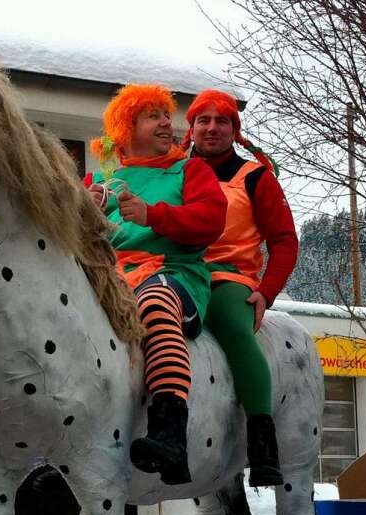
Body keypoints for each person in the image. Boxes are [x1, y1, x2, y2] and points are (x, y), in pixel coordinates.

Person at [85, 83, 227, 484]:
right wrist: (84, 212)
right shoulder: (100, 180)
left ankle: (169, 433)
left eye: (167, 114)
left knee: (156, 302)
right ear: (127, 128)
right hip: (108, 276)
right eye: (154, 115)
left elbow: (211, 222)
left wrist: (152, 215)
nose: (168, 122)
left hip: (173, 271)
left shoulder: (190, 170)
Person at [184, 89, 299, 486]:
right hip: (171, 269)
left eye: (222, 121)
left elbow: (284, 240)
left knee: (232, 325)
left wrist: (265, 292)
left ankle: (262, 439)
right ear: (192, 127)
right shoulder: (169, 171)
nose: (212, 128)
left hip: (227, 276)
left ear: (235, 129)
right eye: (204, 120)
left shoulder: (255, 178)